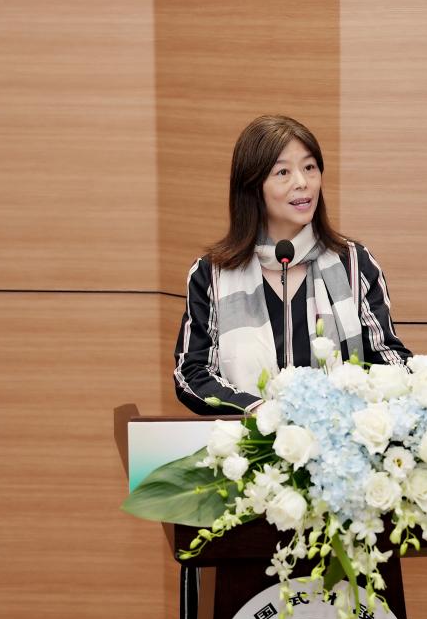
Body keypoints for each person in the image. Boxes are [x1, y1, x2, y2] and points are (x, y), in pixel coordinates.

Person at [173, 115, 412, 418]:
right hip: (251, 439)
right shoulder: (212, 274)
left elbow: (388, 359)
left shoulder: (354, 263)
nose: (302, 182)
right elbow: (193, 373)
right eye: (283, 172)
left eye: (310, 167)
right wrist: (260, 411)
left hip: (337, 437)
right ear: (252, 186)